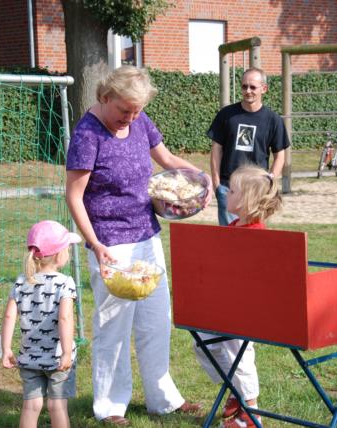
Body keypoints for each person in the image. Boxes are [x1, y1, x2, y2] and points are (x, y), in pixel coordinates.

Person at [65, 65, 207, 426]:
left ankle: (163, 400)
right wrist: (95, 244)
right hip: (110, 244)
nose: (129, 118)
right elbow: (74, 196)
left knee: (157, 321)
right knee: (113, 326)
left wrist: (200, 179)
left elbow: (167, 160)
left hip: (147, 236)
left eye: (136, 111)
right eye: (124, 110)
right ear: (105, 96)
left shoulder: (140, 121)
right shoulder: (87, 134)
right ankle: (110, 406)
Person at [193, 164, 283, 428]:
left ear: (246, 200)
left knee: (239, 355)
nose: (225, 193)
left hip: (244, 312)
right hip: (224, 306)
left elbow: (260, 280)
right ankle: (236, 391)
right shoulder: (234, 226)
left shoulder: (256, 235)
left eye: (231, 191)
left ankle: (251, 414)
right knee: (203, 344)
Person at [0, 220, 81, 428]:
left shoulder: (21, 282)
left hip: (29, 357)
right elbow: (65, 318)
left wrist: (6, 349)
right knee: (57, 406)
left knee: (31, 406)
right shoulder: (65, 283)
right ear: (59, 255)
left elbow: (8, 317)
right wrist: (66, 352)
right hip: (57, 358)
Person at [208, 67, 289, 226]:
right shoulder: (226, 115)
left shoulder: (273, 120)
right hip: (229, 189)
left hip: (257, 191)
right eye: (244, 86)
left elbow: (280, 155)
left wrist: (270, 181)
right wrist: (217, 185)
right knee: (229, 238)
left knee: (254, 238)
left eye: (253, 87)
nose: (248, 91)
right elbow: (216, 150)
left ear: (264, 89)